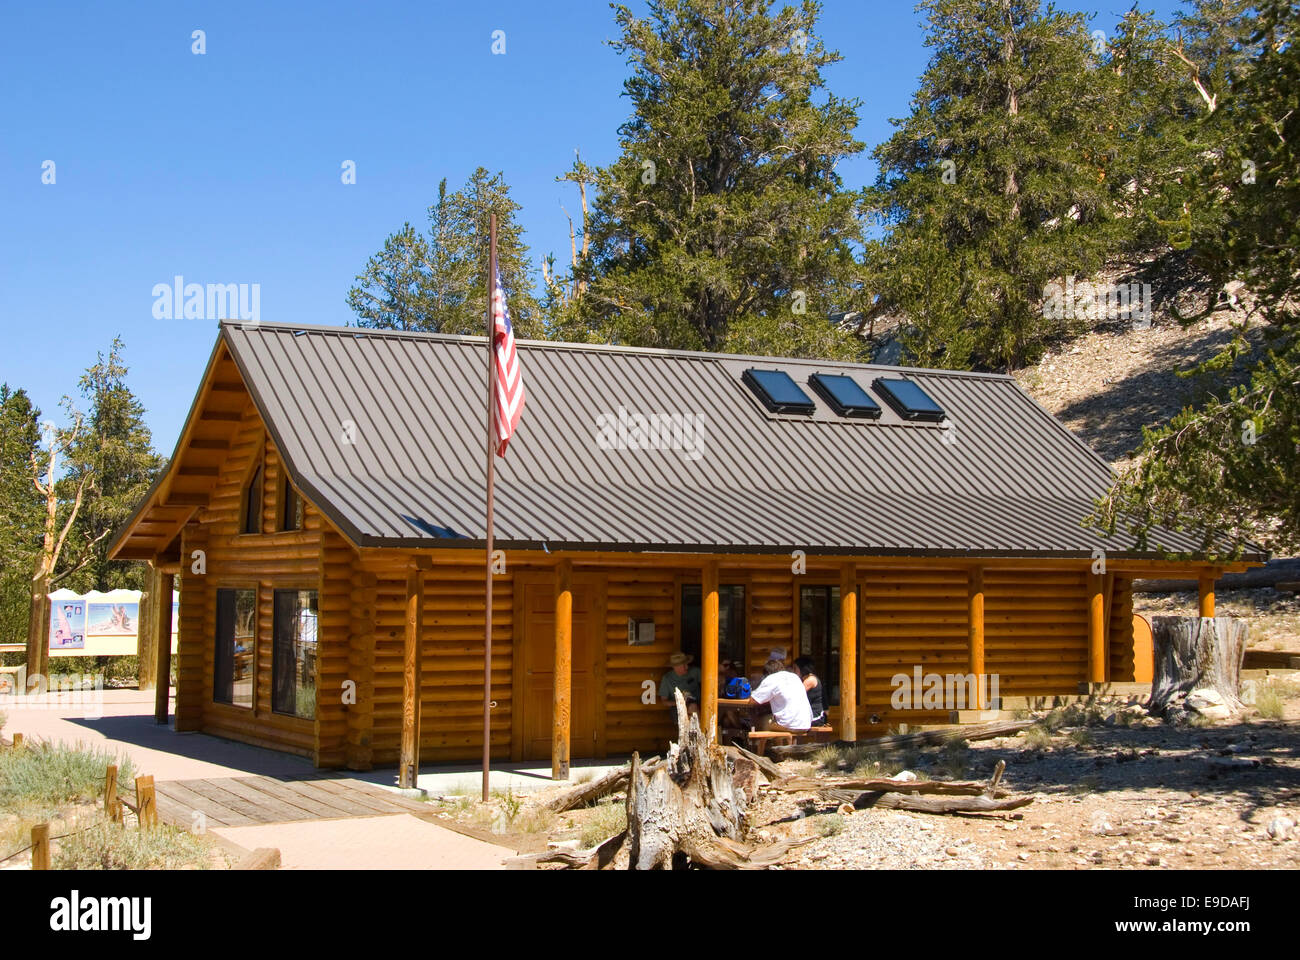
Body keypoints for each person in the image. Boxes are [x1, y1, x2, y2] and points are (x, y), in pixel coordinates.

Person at [750, 659, 813, 732]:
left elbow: (753, 700)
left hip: (790, 725)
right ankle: (781, 743)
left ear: (766, 674)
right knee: (775, 720)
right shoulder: (794, 677)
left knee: (762, 720)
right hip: (806, 724)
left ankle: (756, 743)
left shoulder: (772, 678)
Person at [659, 652, 701, 716]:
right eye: (684, 665)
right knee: (692, 707)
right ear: (676, 667)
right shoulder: (667, 679)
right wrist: (680, 703)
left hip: (699, 703)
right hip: (678, 708)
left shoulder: (695, 671)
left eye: (687, 664)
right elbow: (664, 701)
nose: (687, 667)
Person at [794, 656, 828, 727]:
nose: (794, 671)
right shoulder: (805, 679)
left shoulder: (810, 680)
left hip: (815, 716)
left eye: (795, 668)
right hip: (808, 714)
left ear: (802, 669)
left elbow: (795, 694)